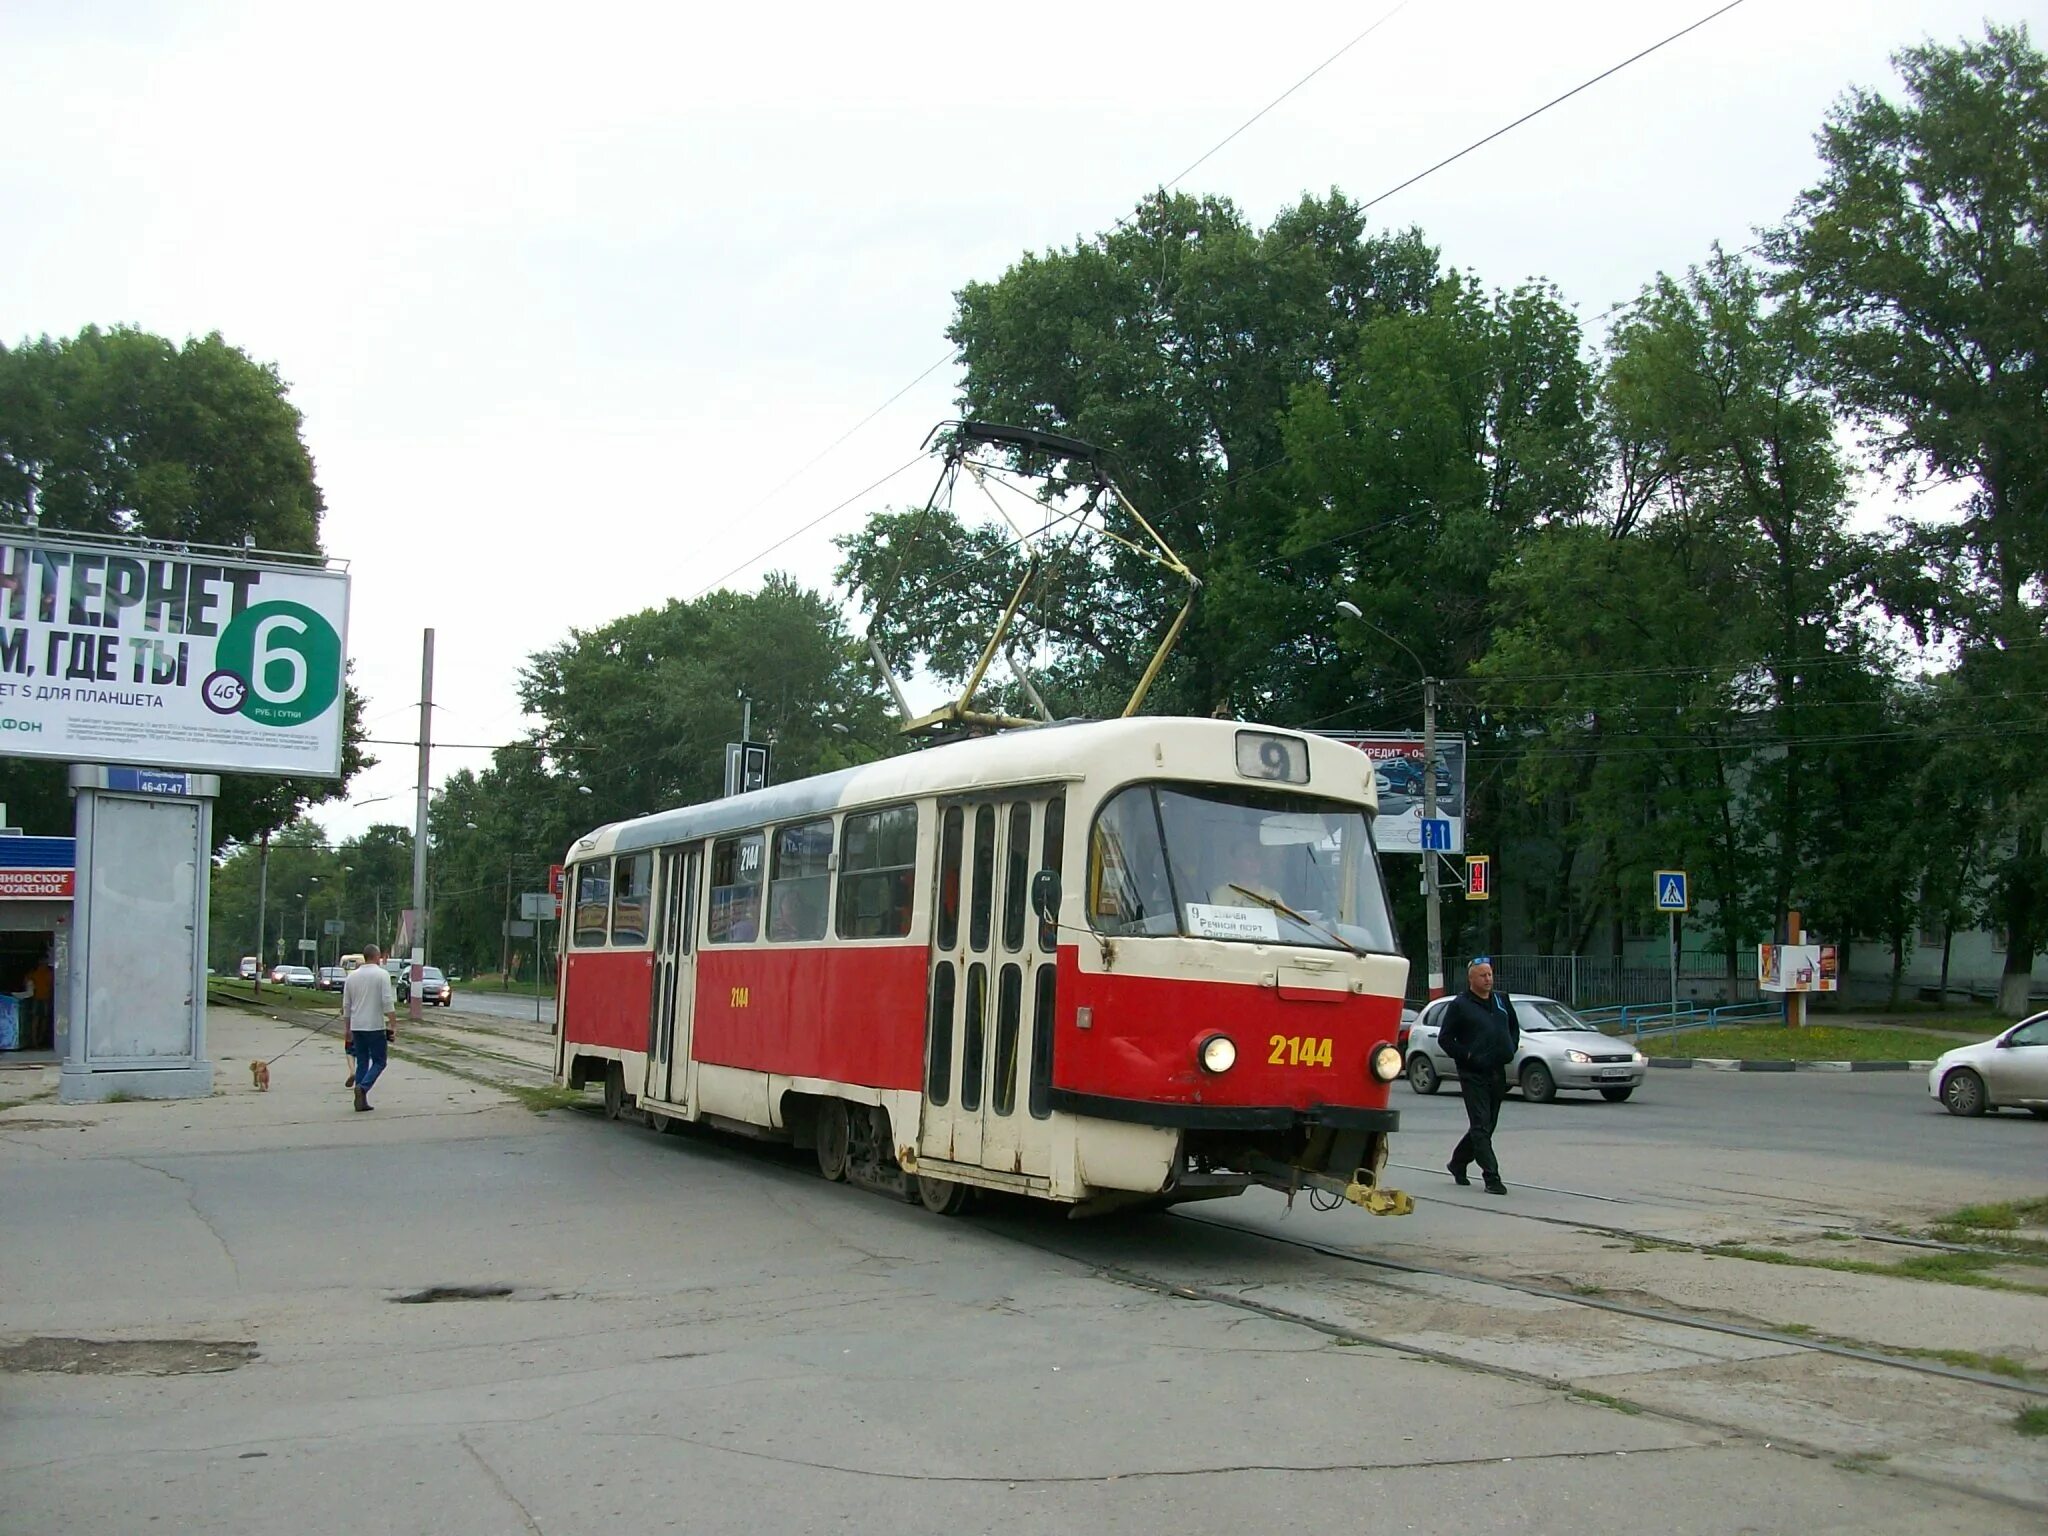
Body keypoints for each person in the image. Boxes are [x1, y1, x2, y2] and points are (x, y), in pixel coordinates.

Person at [1438, 956, 1519, 1196]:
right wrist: (1468, 1056)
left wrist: (1511, 1047)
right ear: (1471, 979)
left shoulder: (1501, 1000)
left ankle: (1458, 1162)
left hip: (1497, 1070)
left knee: (1487, 1125)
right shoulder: (1460, 1005)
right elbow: (1445, 1039)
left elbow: (1513, 1027)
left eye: (1490, 974)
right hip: (1473, 1072)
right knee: (1480, 1124)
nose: (1488, 979)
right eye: (1483, 975)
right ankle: (1491, 1177)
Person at [341, 942, 399, 1112]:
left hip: (357, 1026)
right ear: (377, 956)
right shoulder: (382, 975)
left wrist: (347, 1028)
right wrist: (393, 1023)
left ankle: (360, 1099)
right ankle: (363, 1088)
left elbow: (346, 1005)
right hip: (374, 1026)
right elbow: (387, 1002)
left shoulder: (352, 977)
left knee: (362, 1061)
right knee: (380, 1061)